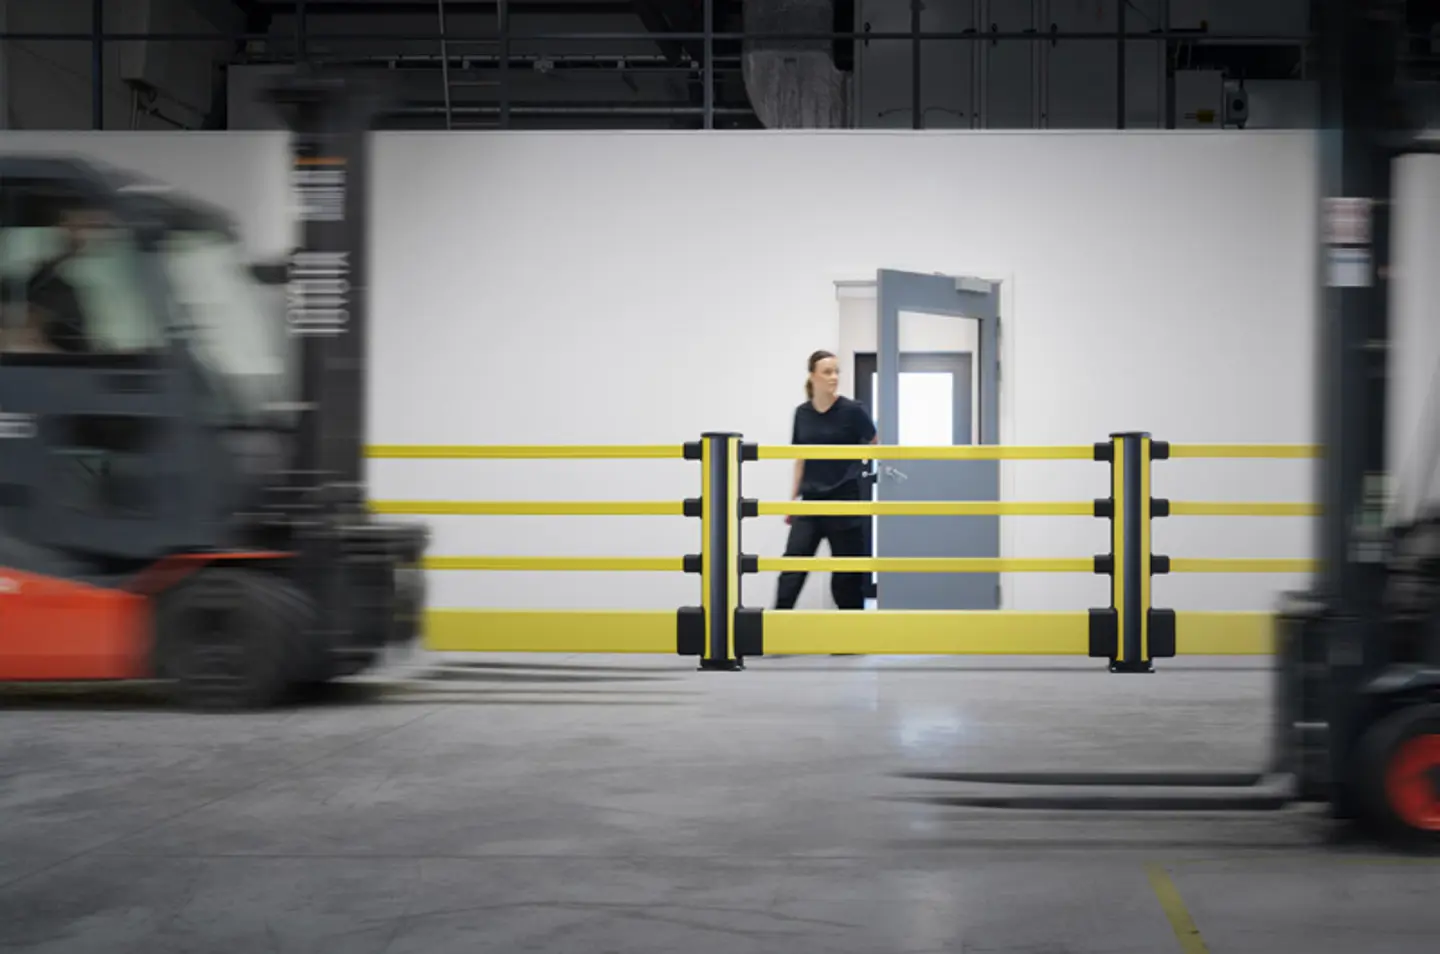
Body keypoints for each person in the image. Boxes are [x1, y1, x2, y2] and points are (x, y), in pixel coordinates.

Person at [774, 349, 878, 611]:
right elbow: (801, 458)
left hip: (844, 499)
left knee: (846, 574)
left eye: (836, 372)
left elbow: (875, 443)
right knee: (793, 567)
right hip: (811, 501)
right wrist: (792, 500)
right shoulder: (802, 414)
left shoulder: (853, 411)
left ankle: (849, 636)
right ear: (812, 377)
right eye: (827, 372)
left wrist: (858, 464)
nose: (833, 377)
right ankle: (774, 630)